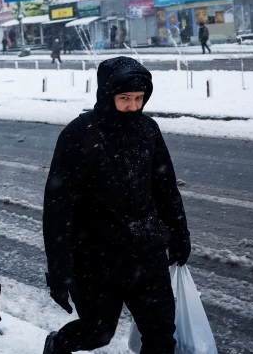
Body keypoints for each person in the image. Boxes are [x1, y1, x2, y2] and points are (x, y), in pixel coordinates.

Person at [42, 56, 191, 354]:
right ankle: (58, 344)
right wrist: (59, 273)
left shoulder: (148, 130)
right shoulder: (79, 134)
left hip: (147, 255)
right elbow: (58, 209)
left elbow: (165, 188)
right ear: (106, 95)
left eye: (139, 98)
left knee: (161, 337)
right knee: (97, 333)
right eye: (125, 98)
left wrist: (179, 234)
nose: (133, 107)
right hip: (97, 261)